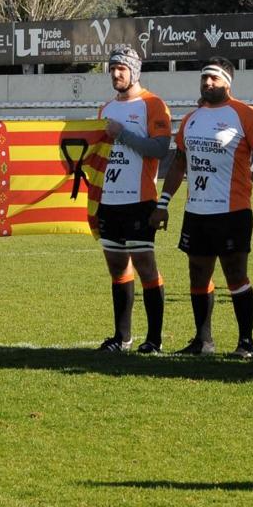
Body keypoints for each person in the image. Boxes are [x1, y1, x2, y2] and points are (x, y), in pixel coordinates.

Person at [150, 57, 253, 358]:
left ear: (228, 82)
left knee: (235, 274)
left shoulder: (246, 116)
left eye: (214, 78)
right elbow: (179, 164)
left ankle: (247, 342)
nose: (208, 83)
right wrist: (163, 204)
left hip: (232, 211)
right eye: (204, 79)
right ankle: (203, 341)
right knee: (197, 273)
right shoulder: (191, 119)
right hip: (196, 211)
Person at [96, 45, 171, 353]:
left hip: (139, 200)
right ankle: (121, 337)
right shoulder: (105, 109)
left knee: (145, 264)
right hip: (109, 200)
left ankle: (154, 339)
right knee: (116, 266)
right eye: (112, 68)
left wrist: (123, 133)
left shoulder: (152, 104)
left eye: (122, 69)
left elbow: (160, 149)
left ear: (134, 71)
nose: (116, 73)